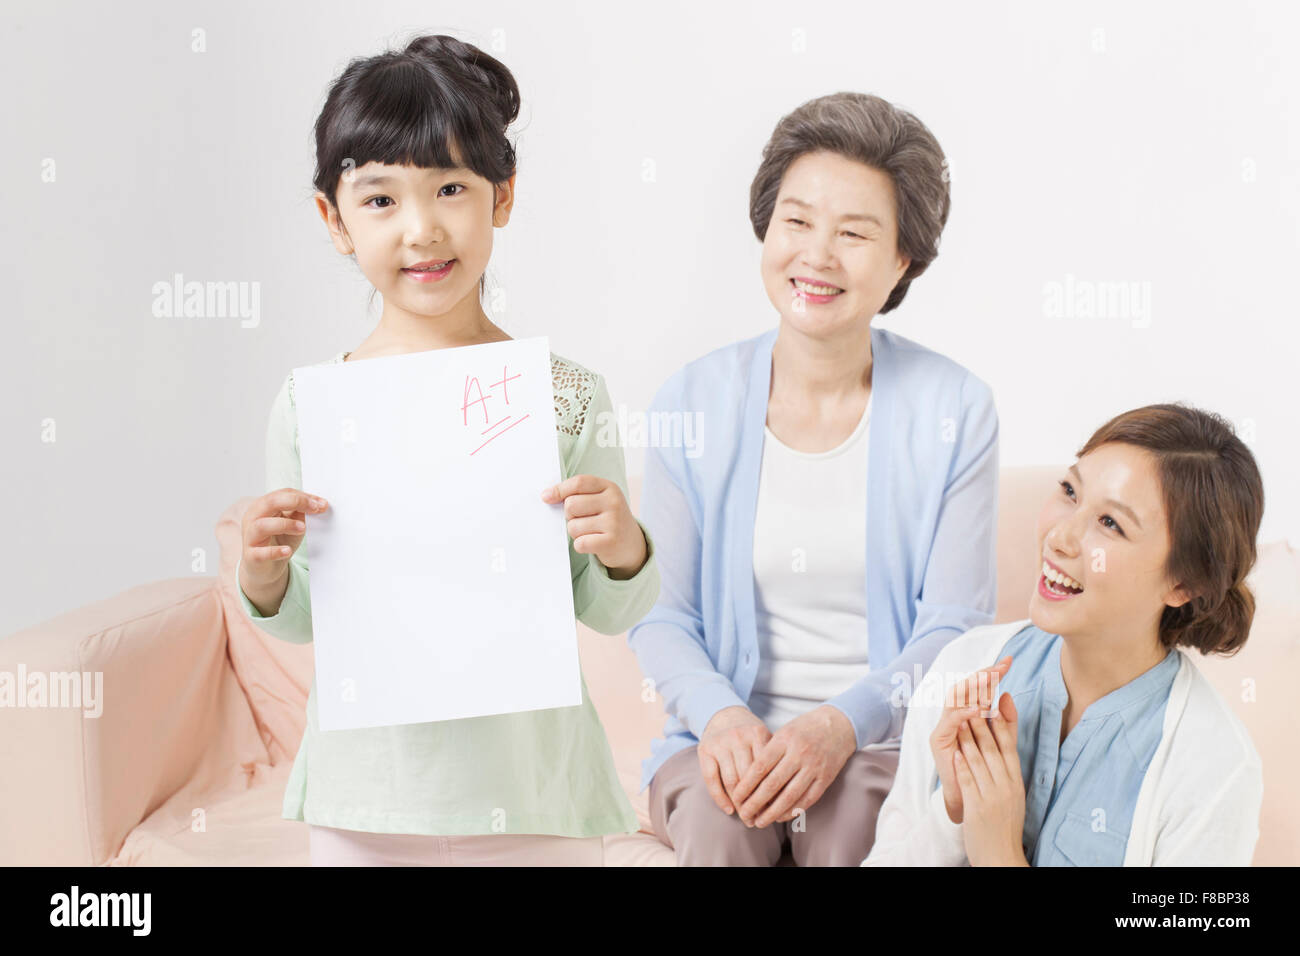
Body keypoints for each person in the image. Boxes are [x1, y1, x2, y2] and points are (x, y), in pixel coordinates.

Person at [234, 34, 659, 866]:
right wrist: (263, 574)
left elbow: (609, 610)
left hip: (535, 790)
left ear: (501, 198)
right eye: (381, 199)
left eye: (451, 188)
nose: (422, 229)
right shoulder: (310, 405)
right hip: (371, 794)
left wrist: (623, 548)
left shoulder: (565, 393)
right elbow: (311, 616)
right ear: (334, 219)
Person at [631, 92, 1000, 865]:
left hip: (882, 748)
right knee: (723, 823)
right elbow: (662, 615)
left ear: (903, 260)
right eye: (797, 221)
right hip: (718, 744)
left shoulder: (955, 408)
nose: (817, 255)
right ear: (767, 227)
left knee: (858, 829)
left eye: (854, 234)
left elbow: (954, 626)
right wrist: (724, 718)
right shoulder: (690, 402)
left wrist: (841, 724)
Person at [863, 403, 1265, 866]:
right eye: (1071, 492)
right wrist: (952, 812)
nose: (1061, 538)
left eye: (1110, 523)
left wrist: (997, 854)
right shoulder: (965, 664)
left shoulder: (1214, 768)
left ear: (1183, 584)